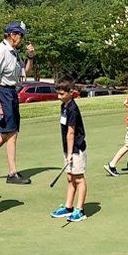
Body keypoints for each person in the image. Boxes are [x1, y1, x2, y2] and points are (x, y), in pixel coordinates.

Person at [0, 21, 35, 184]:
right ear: (12, 35)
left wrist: (30, 56)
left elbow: (25, 72)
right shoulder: (1, 51)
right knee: (11, 133)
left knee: (7, 133)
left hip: (11, 92)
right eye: (20, 35)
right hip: (3, 92)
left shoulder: (14, 52)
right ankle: (12, 173)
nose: (21, 38)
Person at [50, 78, 88, 222]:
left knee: (79, 178)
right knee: (70, 177)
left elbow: (71, 133)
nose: (59, 97)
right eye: (58, 94)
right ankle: (68, 207)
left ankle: (80, 210)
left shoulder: (72, 108)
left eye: (61, 94)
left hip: (76, 149)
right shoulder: (64, 106)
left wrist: (71, 153)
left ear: (70, 93)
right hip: (68, 149)